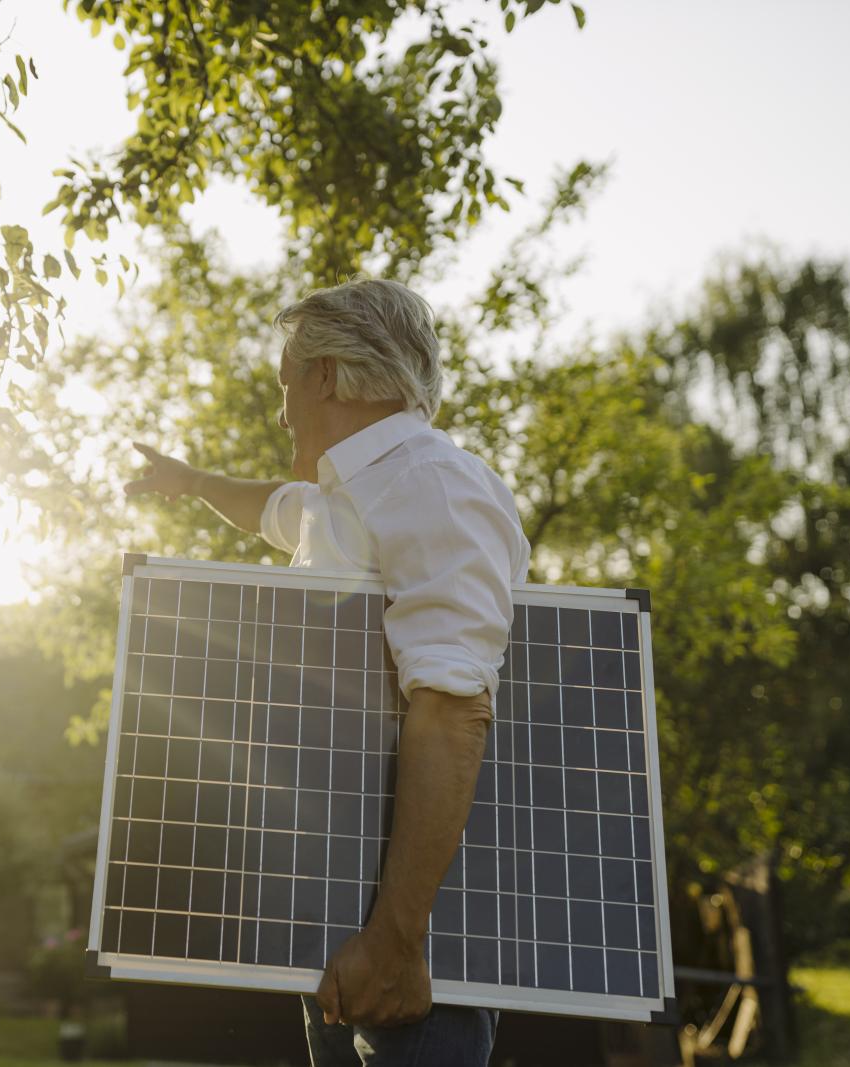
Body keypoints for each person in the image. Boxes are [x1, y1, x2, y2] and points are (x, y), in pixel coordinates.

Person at [124, 277, 531, 1067]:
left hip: (415, 932)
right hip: (340, 923)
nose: (281, 412)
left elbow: (452, 709)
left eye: (285, 384)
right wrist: (192, 483)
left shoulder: (436, 487)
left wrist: (396, 939)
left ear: (325, 376)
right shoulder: (343, 498)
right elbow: (271, 506)